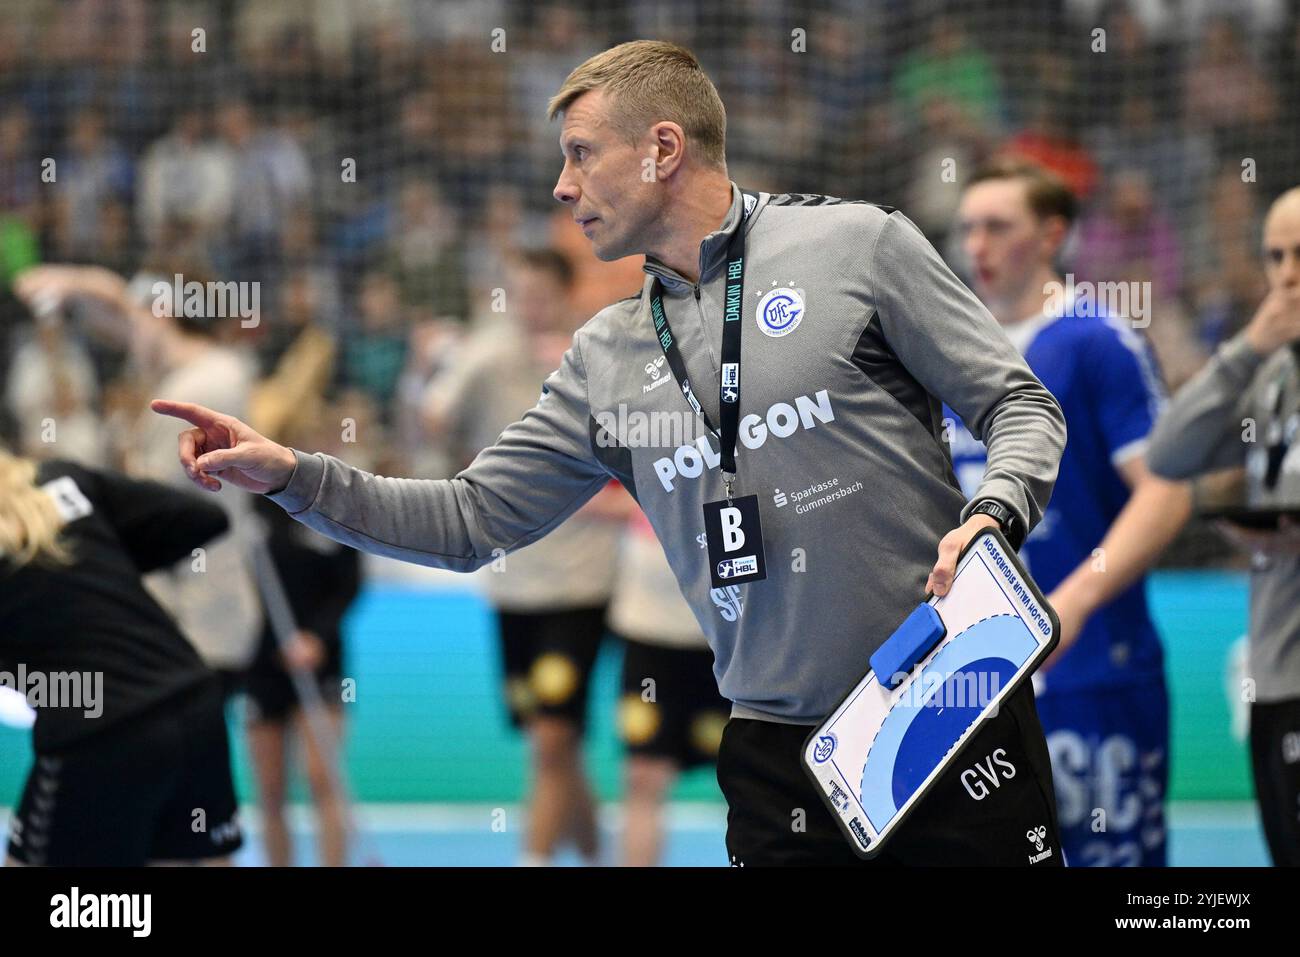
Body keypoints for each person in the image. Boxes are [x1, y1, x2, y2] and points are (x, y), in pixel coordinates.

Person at [154, 40, 1068, 866]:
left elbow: (1019, 403)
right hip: (780, 761)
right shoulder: (606, 357)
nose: (561, 185)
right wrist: (293, 476)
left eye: (580, 153)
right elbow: (470, 519)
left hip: (950, 705)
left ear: (661, 150)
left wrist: (994, 513)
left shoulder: (857, 245)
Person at [944, 159, 1193, 866]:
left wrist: (1075, 599)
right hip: (977, 681)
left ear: (1053, 234)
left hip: (1092, 669)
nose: (978, 247)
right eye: (967, 229)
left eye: (998, 227)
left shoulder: (1094, 340)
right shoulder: (953, 345)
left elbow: (1168, 487)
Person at [421, 249, 626, 866]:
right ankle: (594, 858)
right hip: (512, 587)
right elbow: (432, 421)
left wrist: (578, 500)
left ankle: (532, 859)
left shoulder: (601, 351)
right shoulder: (490, 354)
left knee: (552, 739)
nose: (528, 305)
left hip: (580, 584)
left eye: (539, 292)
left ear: (565, 292)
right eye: (518, 292)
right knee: (555, 746)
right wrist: (434, 365)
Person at [1145, 186, 1300, 866]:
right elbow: (1169, 452)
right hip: (1273, 672)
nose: (1288, 275)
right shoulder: (1269, 377)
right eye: (1275, 256)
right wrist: (1246, 347)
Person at [0, 448, 242, 866]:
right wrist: (105, 565)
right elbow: (203, 517)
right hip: (193, 699)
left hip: (102, 725)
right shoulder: (61, 478)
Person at [608, 508, 730, 866]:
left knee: (749, 778)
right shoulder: (636, 453)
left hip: (730, 639)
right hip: (649, 634)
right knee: (643, 776)